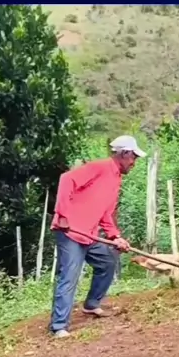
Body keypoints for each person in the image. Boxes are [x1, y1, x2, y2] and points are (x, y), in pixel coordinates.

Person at [50, 135, 146, 338]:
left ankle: (92, 304)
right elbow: (66, 179)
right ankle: (59, 326)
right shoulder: (99, 167)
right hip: (70, 232)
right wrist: (63, 215)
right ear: (124, 153)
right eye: (133, 157)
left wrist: (115, 236)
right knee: (70, 276)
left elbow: (105, 213)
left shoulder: (116, 179)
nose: (134, 163)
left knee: (107, 261)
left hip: (89, 234)